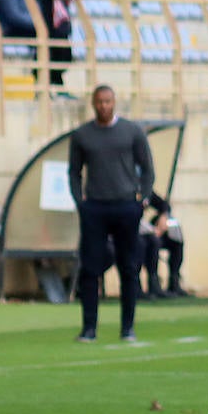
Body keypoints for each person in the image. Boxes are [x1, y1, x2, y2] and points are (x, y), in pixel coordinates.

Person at [68, 85, 156, 343]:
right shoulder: (82, 135)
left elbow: (147, 168)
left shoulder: (131, 132)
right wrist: (80, 202)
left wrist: (142, 198)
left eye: (107, 101)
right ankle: (89, 328)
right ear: (93, 104)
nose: (103, 106)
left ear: (114, 102)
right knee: (90, 268)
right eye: (99, 102)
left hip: (126, 206)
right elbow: (74, 172)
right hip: (95, 207)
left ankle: (128, 328)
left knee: (128, 268)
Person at [135, 199, 187, 299]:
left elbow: (163, 204)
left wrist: (163, 216)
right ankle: (136, 286)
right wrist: (151, 230)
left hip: (145, 229)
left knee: (176, 237)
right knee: (147, 242)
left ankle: (172, 282)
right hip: (129, 229)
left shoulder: (145, 191)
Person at [36, 0, 75, 94]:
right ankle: (45, 89)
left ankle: (58, 87)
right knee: (48, 60)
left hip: (61, 33)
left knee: (63, 59)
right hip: (49, 33)